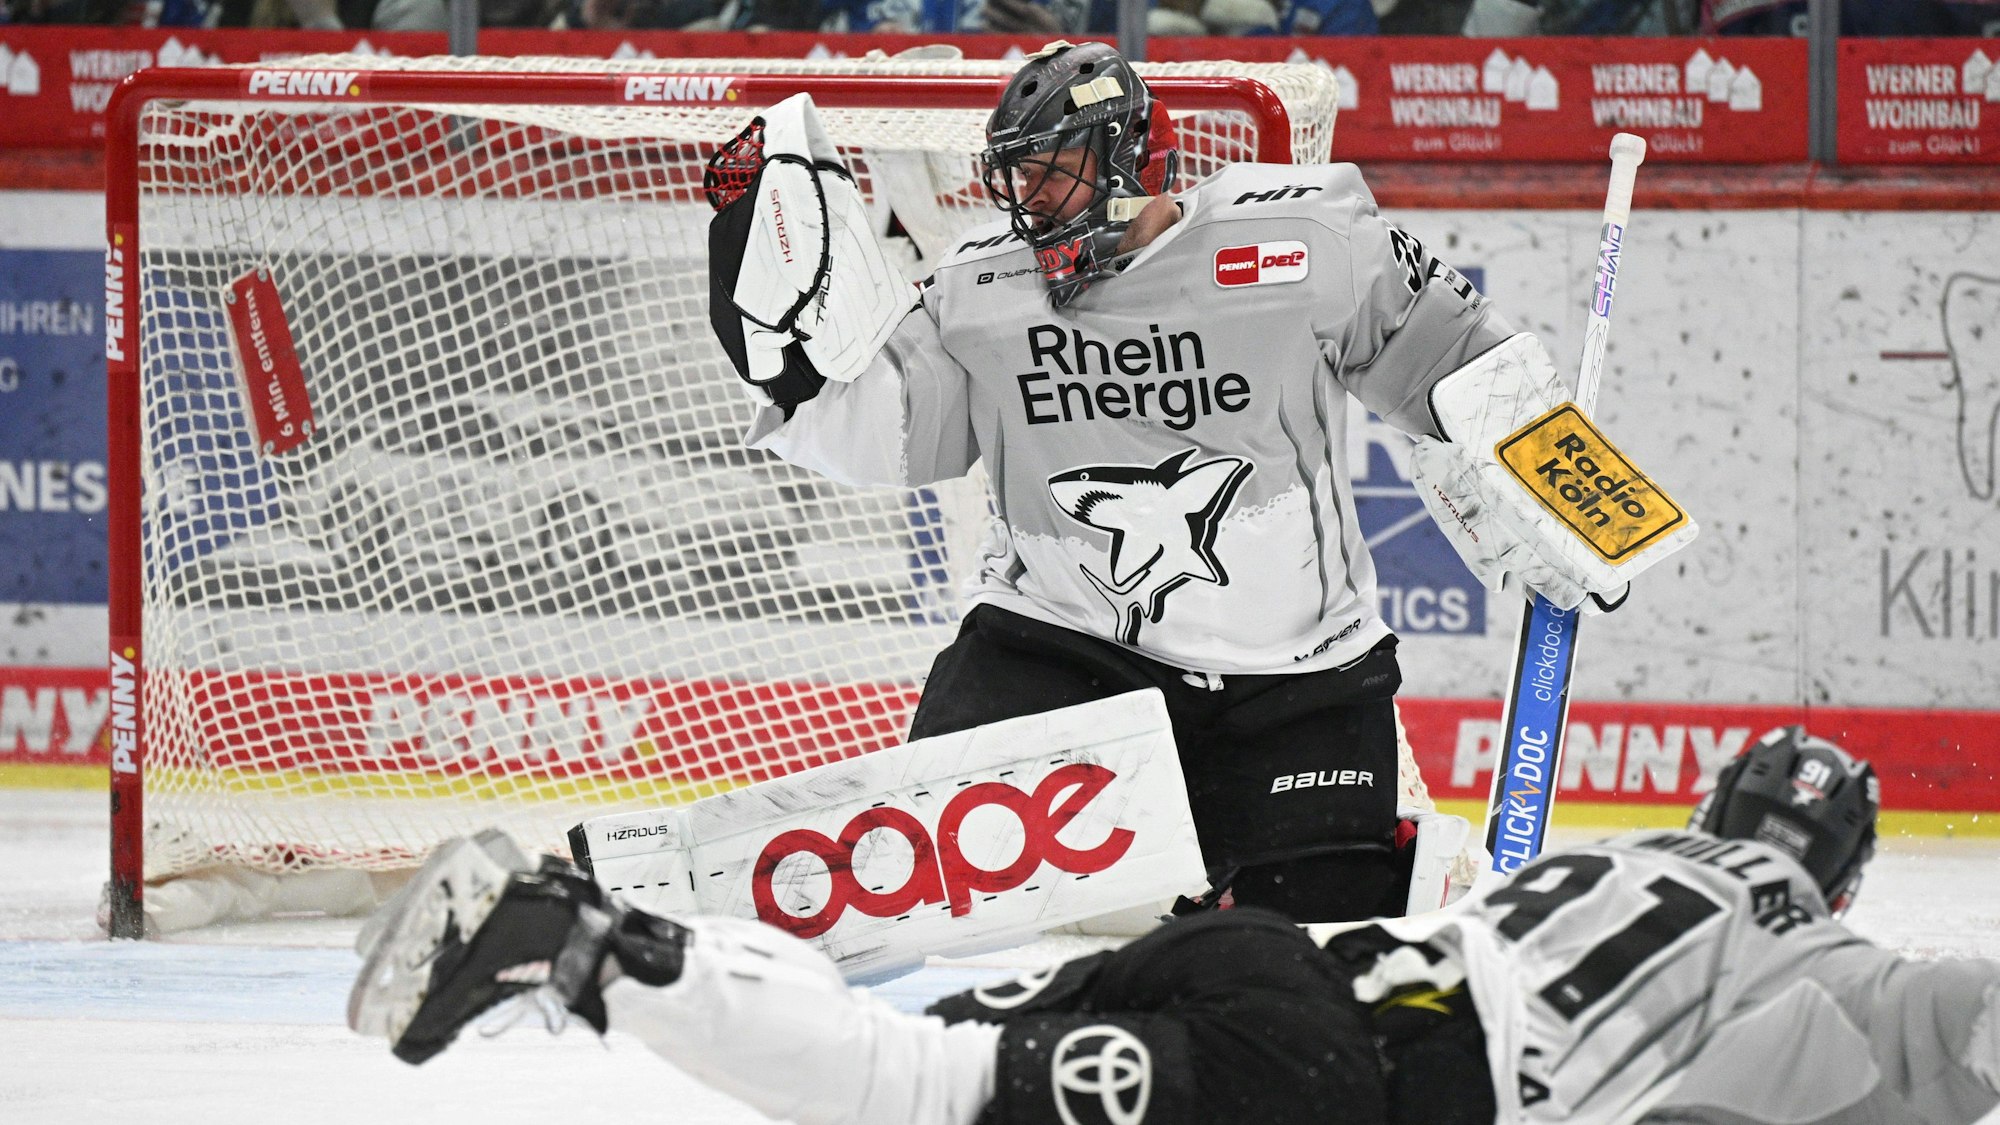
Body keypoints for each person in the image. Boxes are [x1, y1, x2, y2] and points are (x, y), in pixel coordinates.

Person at [699, 40, 1682, 928]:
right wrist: (779, 348)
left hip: (1294, 679)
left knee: (1314, 940)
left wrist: (1572, 507)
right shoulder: (981, 292)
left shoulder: (1306, 247)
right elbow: (889, 434)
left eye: (1053, 171)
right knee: (943, 899)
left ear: (1132, 157)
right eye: (1018, 177)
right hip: (1061, 651)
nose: (1029, 202)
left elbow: (1464, 368)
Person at [350, 725, 2000, 1124]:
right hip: (1318, 1076)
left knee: (930, 1057)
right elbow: (1966, 1026)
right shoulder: (1817, 958)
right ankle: (576, 942)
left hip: (1274, 962)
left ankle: (621, 933)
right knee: (924, 1097)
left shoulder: (1616, 861)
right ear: (1839, 868)